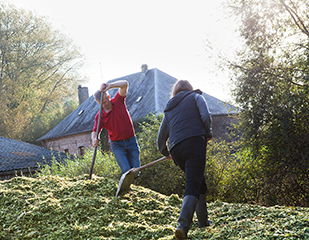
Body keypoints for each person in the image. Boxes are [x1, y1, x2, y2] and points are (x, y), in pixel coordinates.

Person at [157, 80, 212, 239]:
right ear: (189, 88)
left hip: (177, 150)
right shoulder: (196, 97)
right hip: (194, 142)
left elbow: (160, 139)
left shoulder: (169, 108)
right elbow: (206, 116)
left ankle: (203, 221)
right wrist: (208, 133)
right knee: (193, 184)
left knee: (198, 181)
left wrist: (166, 152)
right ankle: (182, 225)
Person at [91, 80, 141, 176]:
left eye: (105, 101)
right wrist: (94, 139)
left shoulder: (118, 101)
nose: (104, 105)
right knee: (126, 172)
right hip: (117, 145)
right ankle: (129, 188)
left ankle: (134, 189)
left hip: (131, 141)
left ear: (108, 97)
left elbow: (125, 84)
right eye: (101, 103)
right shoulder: (99, 116)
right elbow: (95, 131)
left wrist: (110, 86)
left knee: (136, 172)